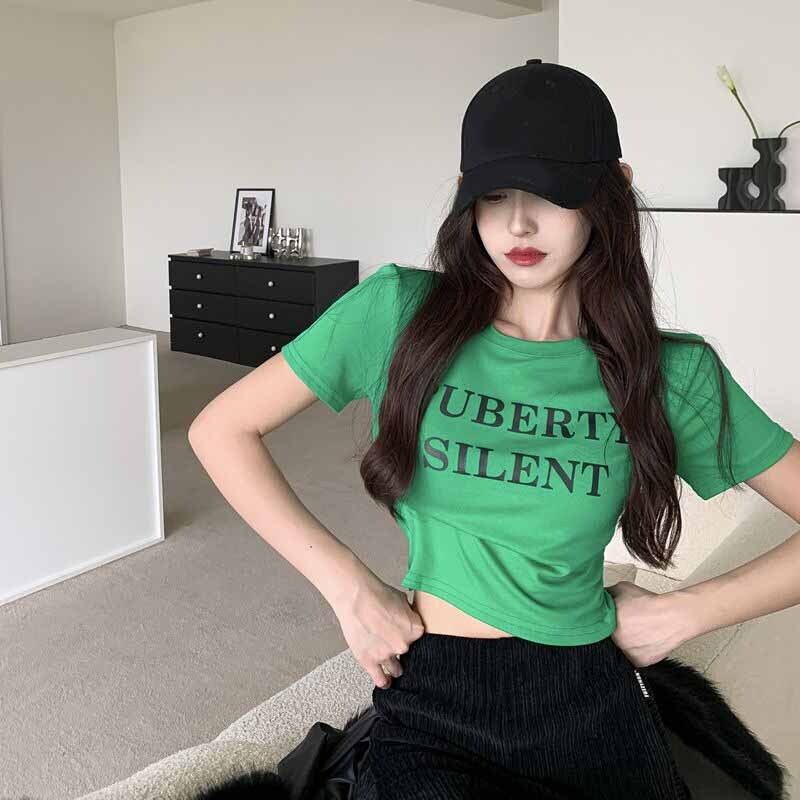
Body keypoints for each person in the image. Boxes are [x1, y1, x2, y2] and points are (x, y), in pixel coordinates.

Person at [188, 60, 798, 799]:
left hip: (588, 697)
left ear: (613, 189)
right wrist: (347, 586)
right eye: (494, 195)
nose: (517, 224)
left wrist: (686, 613)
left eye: (550, 193)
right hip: (435, 704)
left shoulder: (671, 373)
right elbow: (221, 430)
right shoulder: (400, 314)